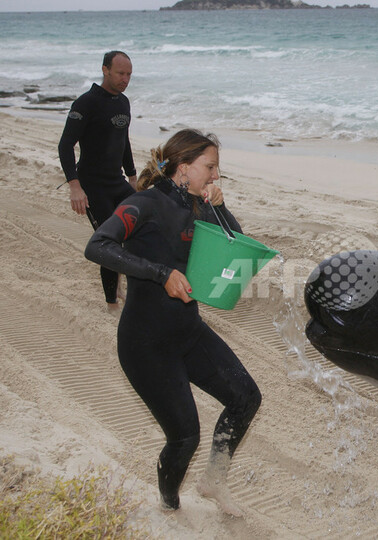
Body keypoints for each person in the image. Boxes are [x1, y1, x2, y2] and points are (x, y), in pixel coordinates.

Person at [84, 129, 262, 516]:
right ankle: (168, 507)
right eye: (210, 167)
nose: (215, 176)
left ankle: (213, 480)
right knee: (185, 436)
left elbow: (239, 253)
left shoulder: (200, 205)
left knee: (246, 397)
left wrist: (221, 207)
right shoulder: (145, 203)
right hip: (145, 344)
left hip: (187, 331)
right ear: (184, 168)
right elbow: (97, 245)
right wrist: (160, 272)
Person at [59, 50, 137, 312]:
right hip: (92, 185)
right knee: (109, 241)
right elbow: (65, 145)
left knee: (141, 226)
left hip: (117, 182)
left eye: (129, 74)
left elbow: (123, 141)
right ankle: (112, 304)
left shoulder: (124, 102)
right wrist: (75, 186)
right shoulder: (86, 103)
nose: (125, 79)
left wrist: (133, 177)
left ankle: (122, 284)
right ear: (105, 70)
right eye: (120, 73)